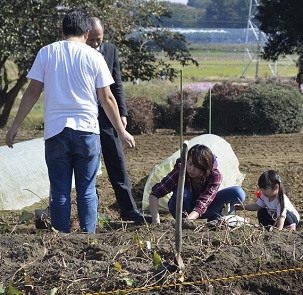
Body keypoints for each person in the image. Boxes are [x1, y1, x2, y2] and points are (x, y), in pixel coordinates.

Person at [5, 8, 135, 234]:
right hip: (87, 132)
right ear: (86, 33)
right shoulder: (94, 56)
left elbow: (32, 92)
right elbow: (107, 99)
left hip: (56, 132)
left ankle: (61, 239)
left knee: (60, 191)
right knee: (86, 190)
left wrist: (14, 126)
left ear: (63, 30)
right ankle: (88, 239)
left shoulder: (46, 53)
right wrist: (121, 131)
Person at [86, 17, 151, 223]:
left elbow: (117, 83)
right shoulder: (79, 53)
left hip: (108, 115)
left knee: (117, 161)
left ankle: (128, 209)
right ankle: (90, 211)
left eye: (99, 39)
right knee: (89, 164)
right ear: (84, 36)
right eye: (92, 40)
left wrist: (122, 113)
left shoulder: (111, 50)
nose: (96, 44)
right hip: (86, 114)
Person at [149, 144, 246, 225]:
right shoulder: (181, 169)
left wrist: (188, 221)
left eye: (197, 166)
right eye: (190, 164)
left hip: (204, 209)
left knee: (238, 193)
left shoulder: (215, 175)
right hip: (181, 209)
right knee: (182, 193)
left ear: (206, 168)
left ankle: (215, 221)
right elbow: (155, 193)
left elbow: (204, 202)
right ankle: (181, 221)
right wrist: (156, 221)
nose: (191, 169)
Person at [235, 170, 300, 231]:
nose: (262, 192)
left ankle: (290, 229)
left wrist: (278, 231)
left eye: (265, 190)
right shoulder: (265, 196)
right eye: (261, 190)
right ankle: (266, 228)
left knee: (284, 213)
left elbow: (281, 217)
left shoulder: (280, 199)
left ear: (276, 187)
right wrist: (244, 207)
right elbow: (257, 206)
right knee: (261, 211)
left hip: (290, 219)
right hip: (275, 217)